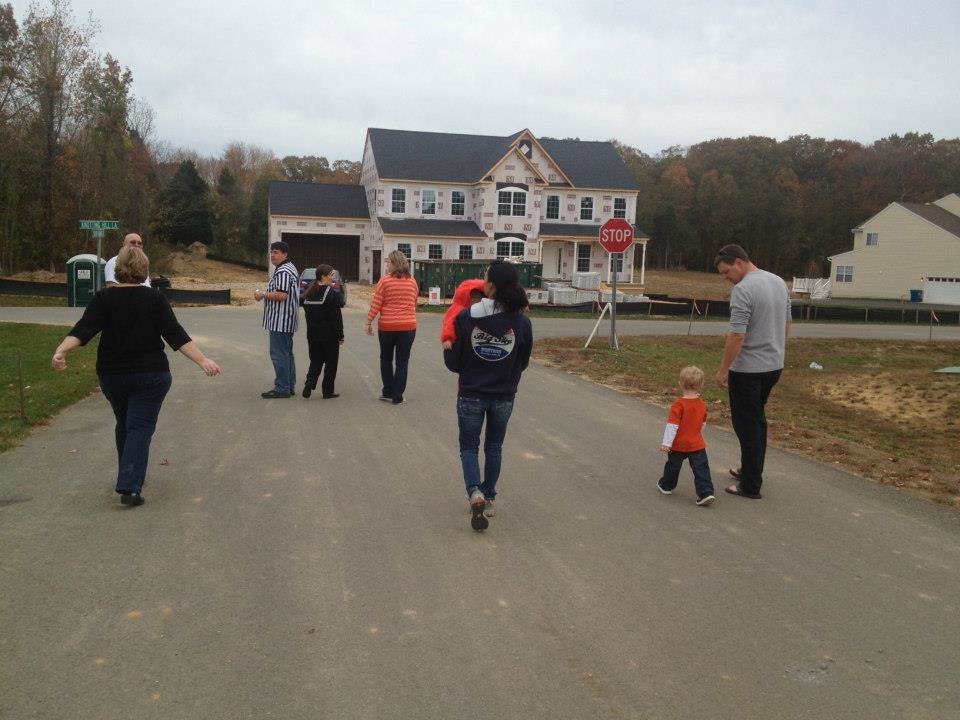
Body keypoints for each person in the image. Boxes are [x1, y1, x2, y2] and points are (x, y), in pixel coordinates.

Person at [51, 246, 220, 506]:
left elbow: (84, 330)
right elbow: (174, 334)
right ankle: (130, 485)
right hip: (151, 375)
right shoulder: (155, 298)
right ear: (145, 270)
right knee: (139, 427)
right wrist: (203, 359)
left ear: (118, 269)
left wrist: (61, 351)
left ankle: (129, 473)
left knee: (126, 424)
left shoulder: (103, 298)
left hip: (113, 375)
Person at [443, 260, 533, 531]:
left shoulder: (465, 317)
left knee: (469, 447)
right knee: (494, 447)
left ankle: (475, 493)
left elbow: (454, 364)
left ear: (490, 285)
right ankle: (490, 496)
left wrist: (448, 349)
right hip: (504, 395)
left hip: (471, 392)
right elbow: (523, 360)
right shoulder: (522, 322)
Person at [714, 243, 791, 500]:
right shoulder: (778, 281)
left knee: (747, 426)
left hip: (748, 370)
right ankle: (750, 470)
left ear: (738, 262)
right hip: (773, 366)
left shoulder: (743, 289)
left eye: (726, 272)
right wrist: (779, 349)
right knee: (757, 422)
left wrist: (723, 370)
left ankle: (750, 485)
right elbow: (787, 322)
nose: (726, 278)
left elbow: (737, 335)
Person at [657, 366, 715, 506]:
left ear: (681, 384)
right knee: (701, 468)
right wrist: (697, 434)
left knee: (673, 466)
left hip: (679, 444)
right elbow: (703, 423)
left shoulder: (679, 404)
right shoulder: (702, 404)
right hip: (696, 443)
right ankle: (706, 492)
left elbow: (672, 426)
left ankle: (666, 485)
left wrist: (667, 443)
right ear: (701, 385)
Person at [366, 250, 419, 404]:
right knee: (402, 361)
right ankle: (398, 395)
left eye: (388, 262)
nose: (387, 264)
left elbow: (377, 303)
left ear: (395, 263)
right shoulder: (412, 281)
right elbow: (414, 303)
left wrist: (369, 321)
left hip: (388, 326)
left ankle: (388, 391)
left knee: (386, 359)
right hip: (408, 326)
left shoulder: (385, 281)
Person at [255, 241, 299, 398]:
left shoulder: (283, 272)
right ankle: (289, 385)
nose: (273, 255)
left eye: (276, 252)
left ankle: (282, 388)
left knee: (279, 354)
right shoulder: (288, 268)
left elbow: (281, 294)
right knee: (287, 354)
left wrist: (262, 294)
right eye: (271, 252)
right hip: (285, 320)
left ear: (285, 254)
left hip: (281, 321)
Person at [301, 264, 344, 399]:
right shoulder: (332, 294)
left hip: (313, 335)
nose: (333, 277)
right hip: (329, 336)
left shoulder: (309, 293)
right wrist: (340, 335)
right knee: (331, 363)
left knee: (316, 360)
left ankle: (310, 382)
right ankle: (327, 391)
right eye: (331, 275)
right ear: (323, 276)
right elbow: (336, 318)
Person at [440, 278, 486, 350]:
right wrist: (448, 339)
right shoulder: (457, 310)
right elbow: (448, 325)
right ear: (471, 298)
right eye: (478, 299)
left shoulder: (484, 309)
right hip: (461, 345)